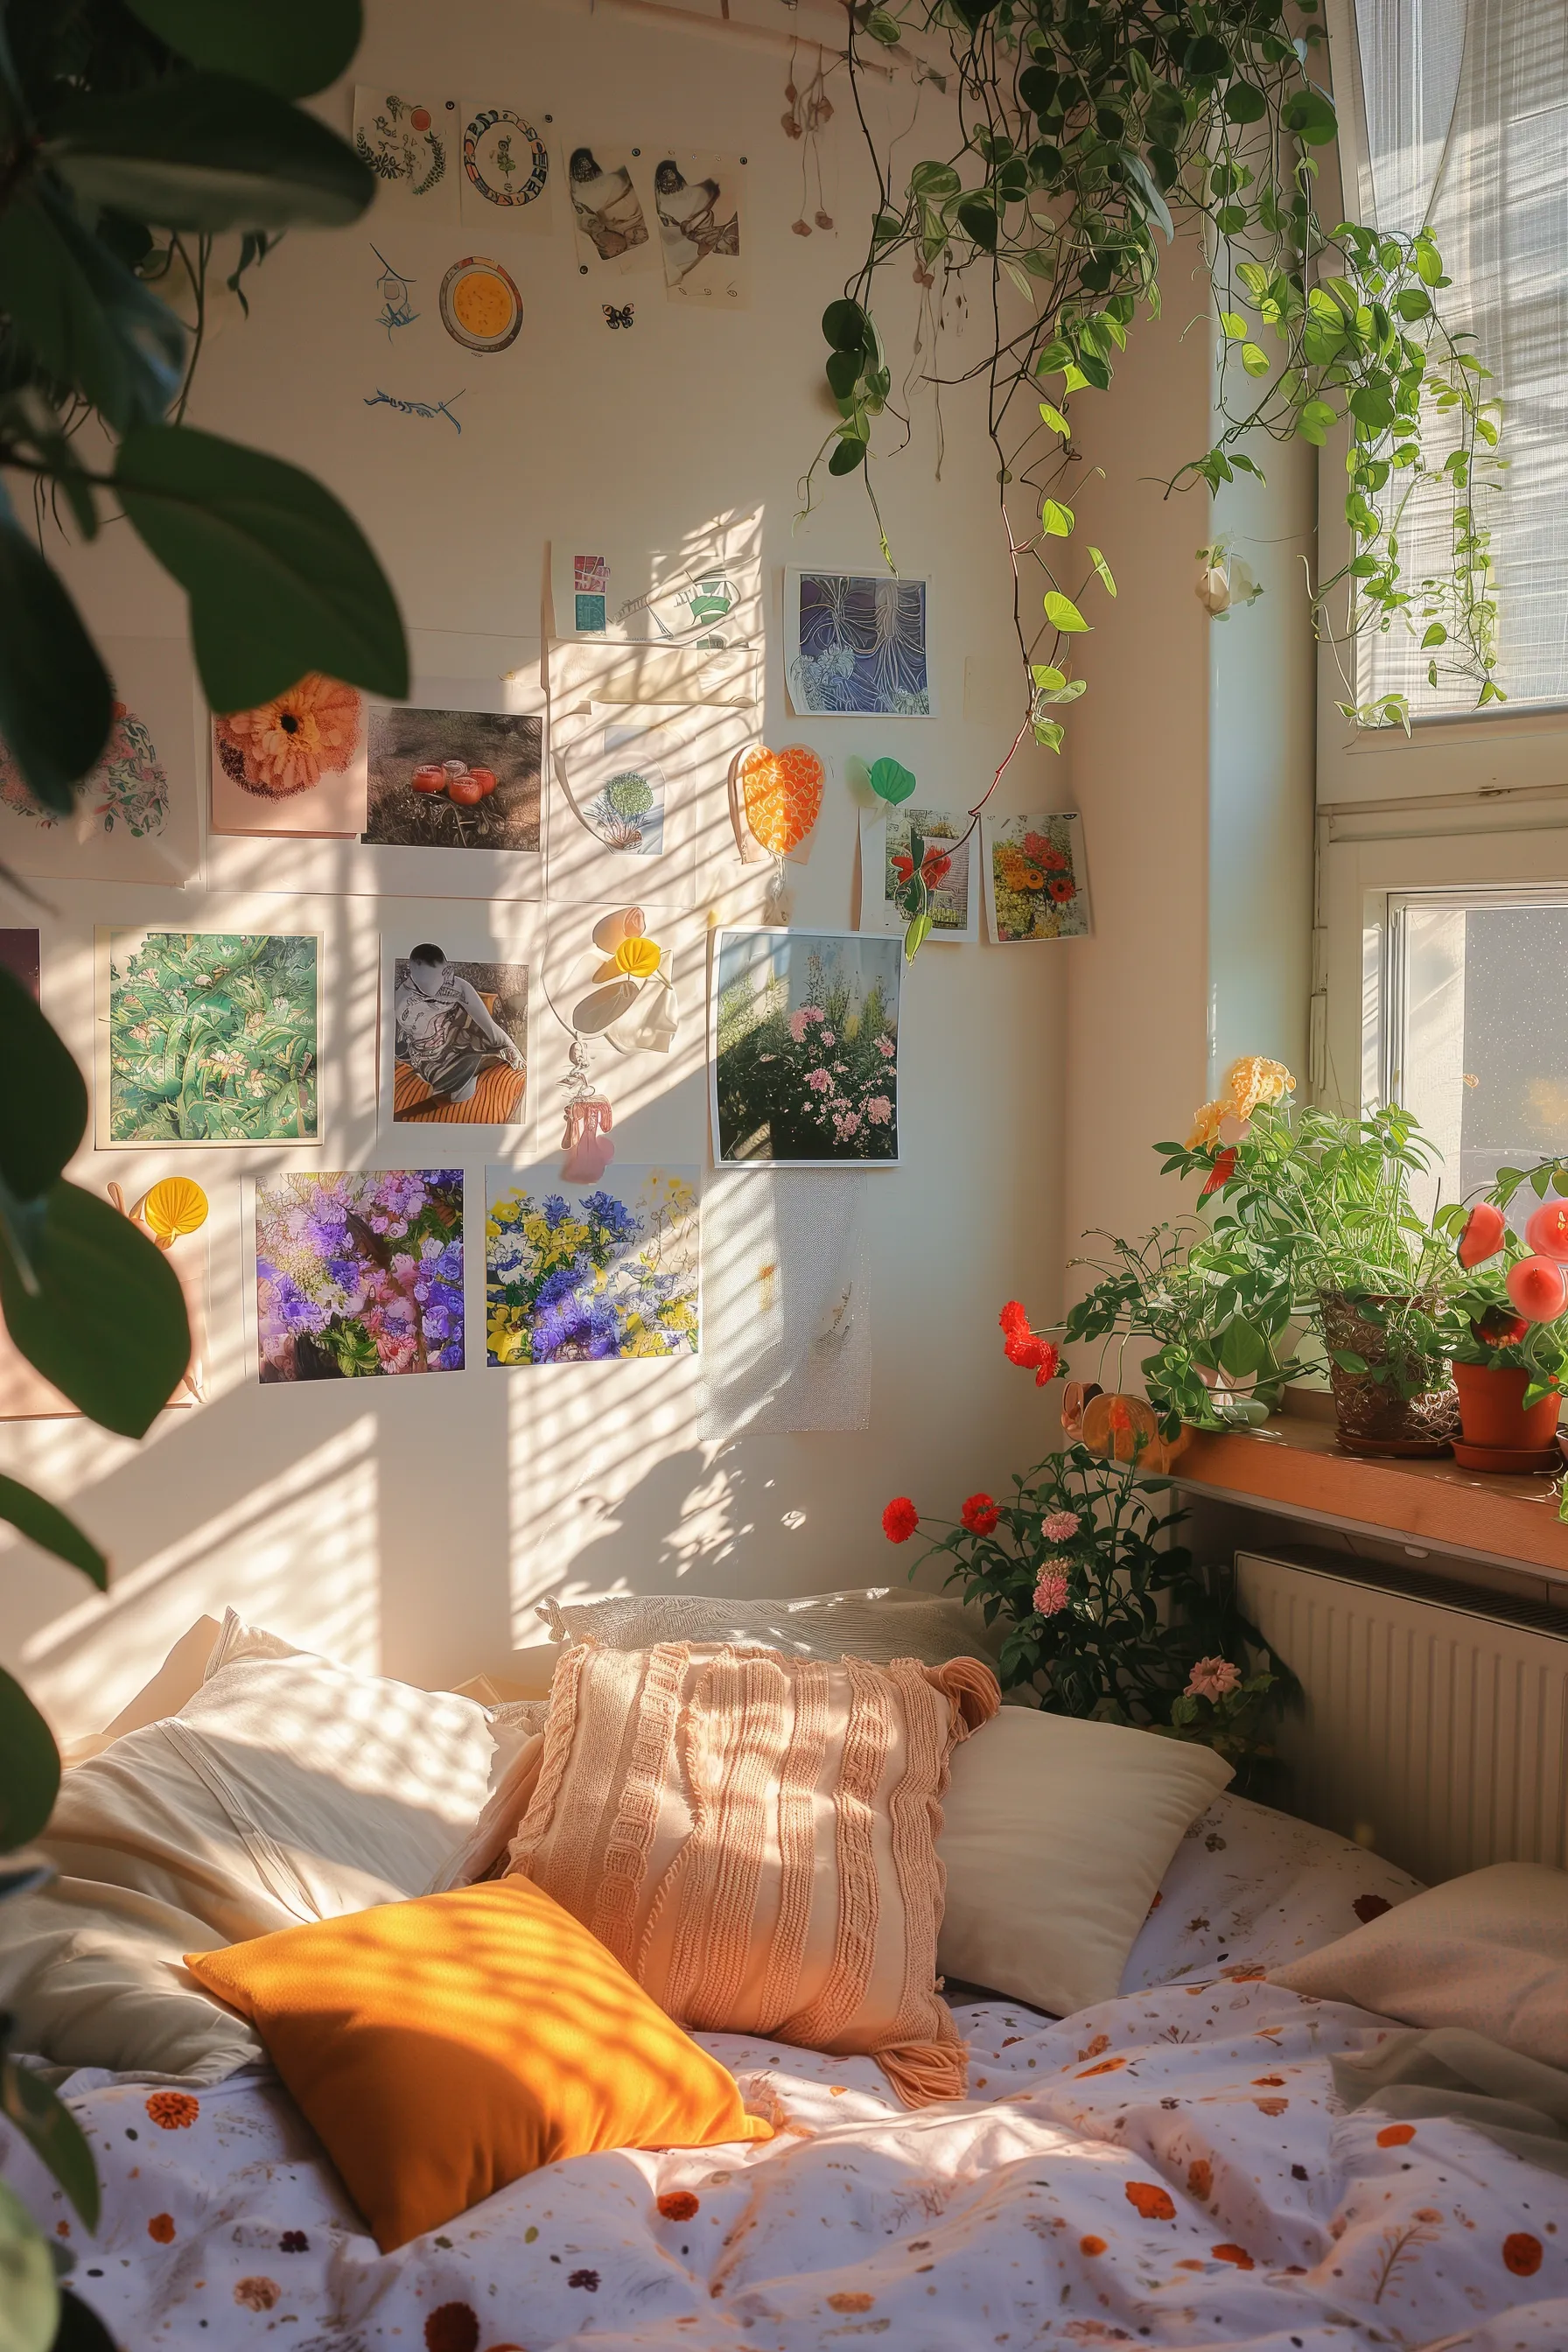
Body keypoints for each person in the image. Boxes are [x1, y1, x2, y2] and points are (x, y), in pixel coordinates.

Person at [395, 944, 523, 1106]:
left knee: (505, 1057)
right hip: (432, 1058)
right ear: (412, 974)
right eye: (426, 981)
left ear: (446, 969)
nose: (435, 986)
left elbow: (488, 1025)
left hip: (460, 1039)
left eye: (438, 977)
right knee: (460, 1087)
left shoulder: (458, 986)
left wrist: (512, 1048)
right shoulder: (401, 1002)